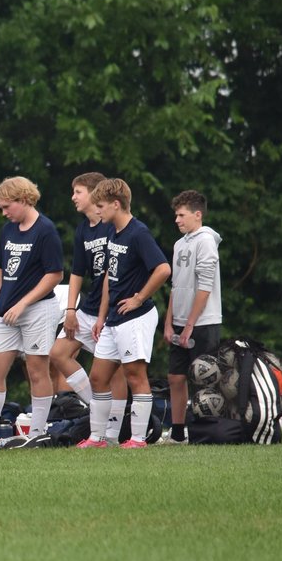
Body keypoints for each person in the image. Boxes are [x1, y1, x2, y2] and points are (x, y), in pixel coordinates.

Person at [78, 179, 171, 448]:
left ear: (116, 204)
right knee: (98, 376)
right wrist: (101, 317)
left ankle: (138, 439)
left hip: (136, 317)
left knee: (135, 376)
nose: (98, 211)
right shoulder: (112, 233)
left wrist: (139, 298)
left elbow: (163, 269)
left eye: (102, 206)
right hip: (113, 319)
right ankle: (97, 438)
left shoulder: (138, 232)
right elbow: (110, 276)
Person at [0, 177, 64, 443]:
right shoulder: (8, 230)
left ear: (24, 199)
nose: (4, 213)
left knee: (36, 370)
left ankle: (37, 434)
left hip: (38, 310)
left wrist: (22, 303)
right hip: (8, 314)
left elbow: (54, 275)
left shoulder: (46, 230)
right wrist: (0, 298)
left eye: (7, 206)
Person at [49, 173, 129, 435]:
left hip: (111, 311)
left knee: (114, 371)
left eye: (78, 191)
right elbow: (76, 273)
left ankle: (115, 431)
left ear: (95, 194)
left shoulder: (112, 225)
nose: (73, 197)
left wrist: (103, 316)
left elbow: (110, 274)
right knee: (58, 353)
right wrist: (71, 309)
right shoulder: (83, 228)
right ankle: (96, 407)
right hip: (88, 308)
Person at [164, 190, 222, 443]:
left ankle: (206, 430)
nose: (177, 220)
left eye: (181, 215)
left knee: (204, 379)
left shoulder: (206, 240)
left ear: (197, 215)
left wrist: (190, 325)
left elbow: (205, 286)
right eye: (176, 215)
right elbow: (176, 286)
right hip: (179, 322)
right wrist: (169, 322)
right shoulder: (179, 244)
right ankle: (178, 433)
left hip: (202, 323)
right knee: (175, 377)